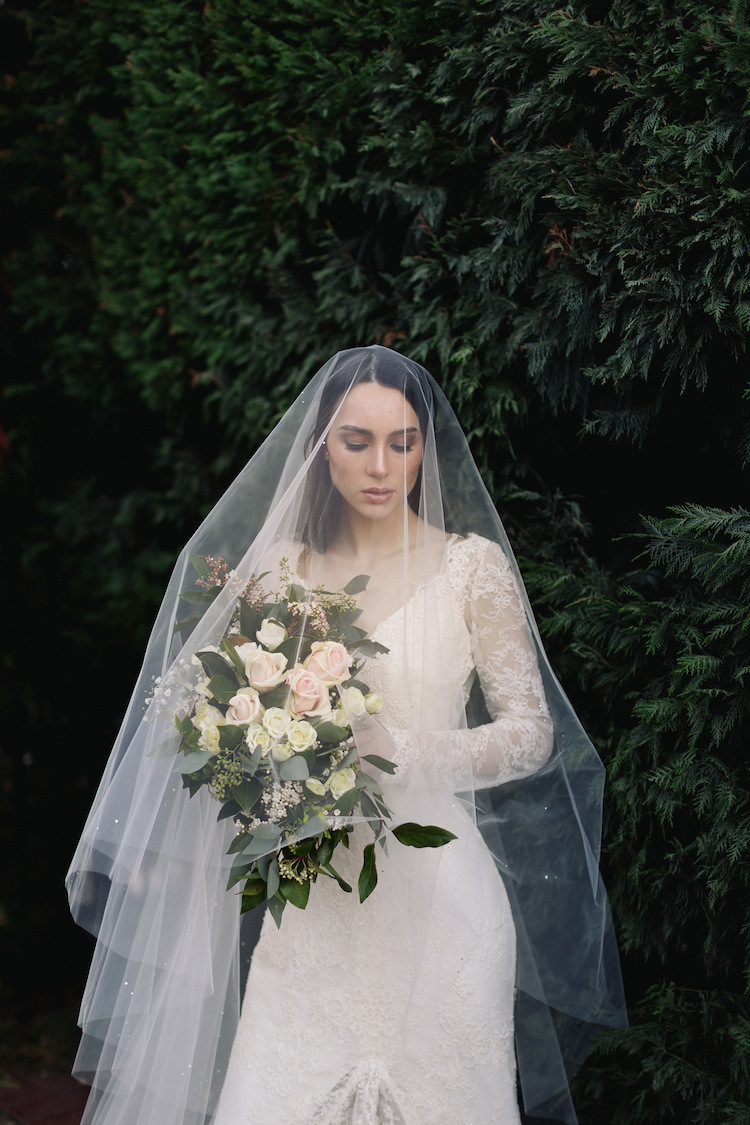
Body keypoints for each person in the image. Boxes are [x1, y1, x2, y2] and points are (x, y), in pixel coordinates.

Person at [67, 346, 626, 1125]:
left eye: (402, 442)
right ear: (321, 444)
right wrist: (260, 758)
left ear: (424, 448)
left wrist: (404, 747)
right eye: (356, 440)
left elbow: (531, 735)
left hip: (445, 905)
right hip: (315, 906)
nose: (380, 465)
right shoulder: (281, 572)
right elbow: (224, 727)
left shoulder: (473, 569)